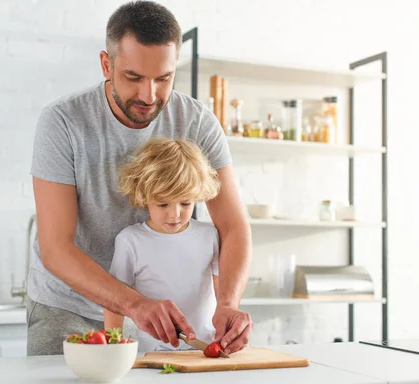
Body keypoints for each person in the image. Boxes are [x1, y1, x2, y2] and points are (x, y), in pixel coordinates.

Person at [28, 0, 252, 356]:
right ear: (106, 64)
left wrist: (227, 302)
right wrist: (133, 305)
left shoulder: (197, 122)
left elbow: (234, 227)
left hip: (163, 320)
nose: (149, 95)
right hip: (69, 308)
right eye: (133, 77)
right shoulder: (63, 122)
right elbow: (56, 249)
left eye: (163, 79)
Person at [104, 139, 222, 353]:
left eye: (185, 203)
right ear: (144, 196)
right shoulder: (130, 241)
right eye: (163, 204)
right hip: (151, 351)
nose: (175, 214)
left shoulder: (210, 236)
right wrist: (113, 345)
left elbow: (221, 292)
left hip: (203, 349)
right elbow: (114, 301)